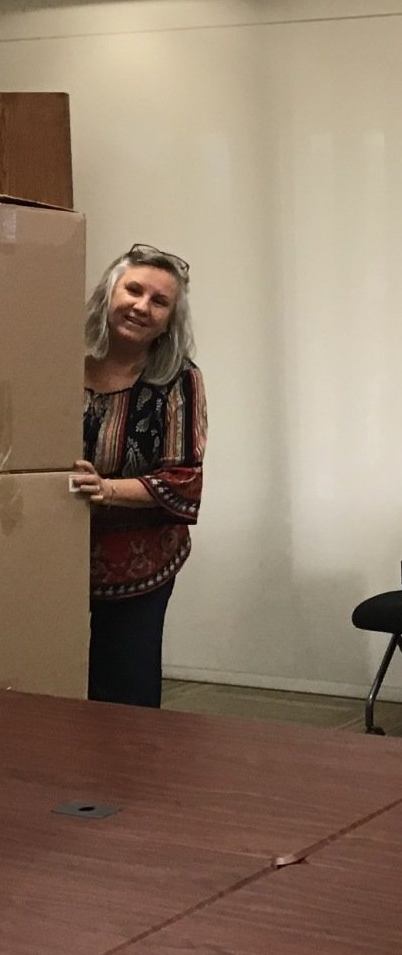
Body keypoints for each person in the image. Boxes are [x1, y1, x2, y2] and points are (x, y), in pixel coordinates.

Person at [70, 244, 206, 708]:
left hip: (137, 567)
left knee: (124, 690)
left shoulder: (178, 379)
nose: (141, 307)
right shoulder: (57, 360)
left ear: (170, 321)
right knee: (51, 684)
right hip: (53, 553)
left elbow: (184, 478)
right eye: (133, 290)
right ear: (109, 292)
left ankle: (127, 777)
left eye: (158, 301)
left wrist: (106, 489)